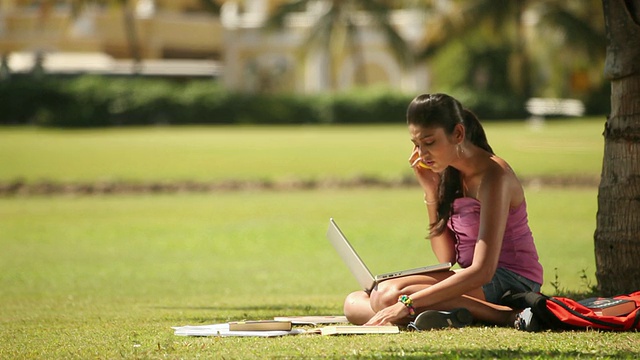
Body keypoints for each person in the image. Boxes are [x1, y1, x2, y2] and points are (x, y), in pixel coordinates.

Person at [343, 93, 543, 330]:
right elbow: (446, 258)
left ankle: (504, 315)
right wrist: (431, 192)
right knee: (354, 302)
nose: (422, 154)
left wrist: (407, 304)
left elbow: (483, 271)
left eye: (429, 143)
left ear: (458, 134)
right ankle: (450, 313)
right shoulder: (452, 173)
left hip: (512, 280)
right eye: (416, 145)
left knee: (388, 297)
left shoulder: (494, 176)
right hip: (474, 277)